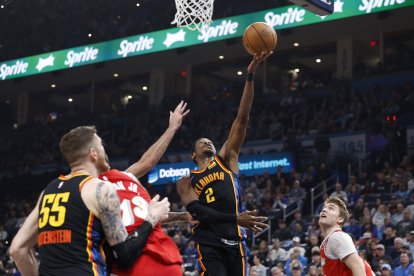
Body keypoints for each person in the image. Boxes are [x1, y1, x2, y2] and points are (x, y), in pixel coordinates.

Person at [10, 126, 170, 275]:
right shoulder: (101, 189)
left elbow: (18, 249)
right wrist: (152, 217)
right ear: (93, 153)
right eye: (101, 146)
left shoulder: (47, 191)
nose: (104, 151)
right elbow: (125, 257)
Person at [176, 51, 272, 276]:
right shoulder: (186, 181)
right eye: (201, 142)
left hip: (235, 238)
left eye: (209, 140)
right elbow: (199, 211)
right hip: (209, 240)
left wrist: (249, 75)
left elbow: (242, 117)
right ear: (193, 154)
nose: (207, 141)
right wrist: (235, 218)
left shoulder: (226, 160)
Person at [100, 101, 191, 275]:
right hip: (140, 259)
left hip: (151, 257)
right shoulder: (91, 190)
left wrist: (172, 128)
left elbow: (148, 161)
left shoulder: (123, 176)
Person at [319, 196, 374, 275]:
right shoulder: (329, 240)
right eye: (324, 208)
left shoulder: (337, 236)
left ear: (340, 219)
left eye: (331, 208)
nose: (324, 210)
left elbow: (358, 267)